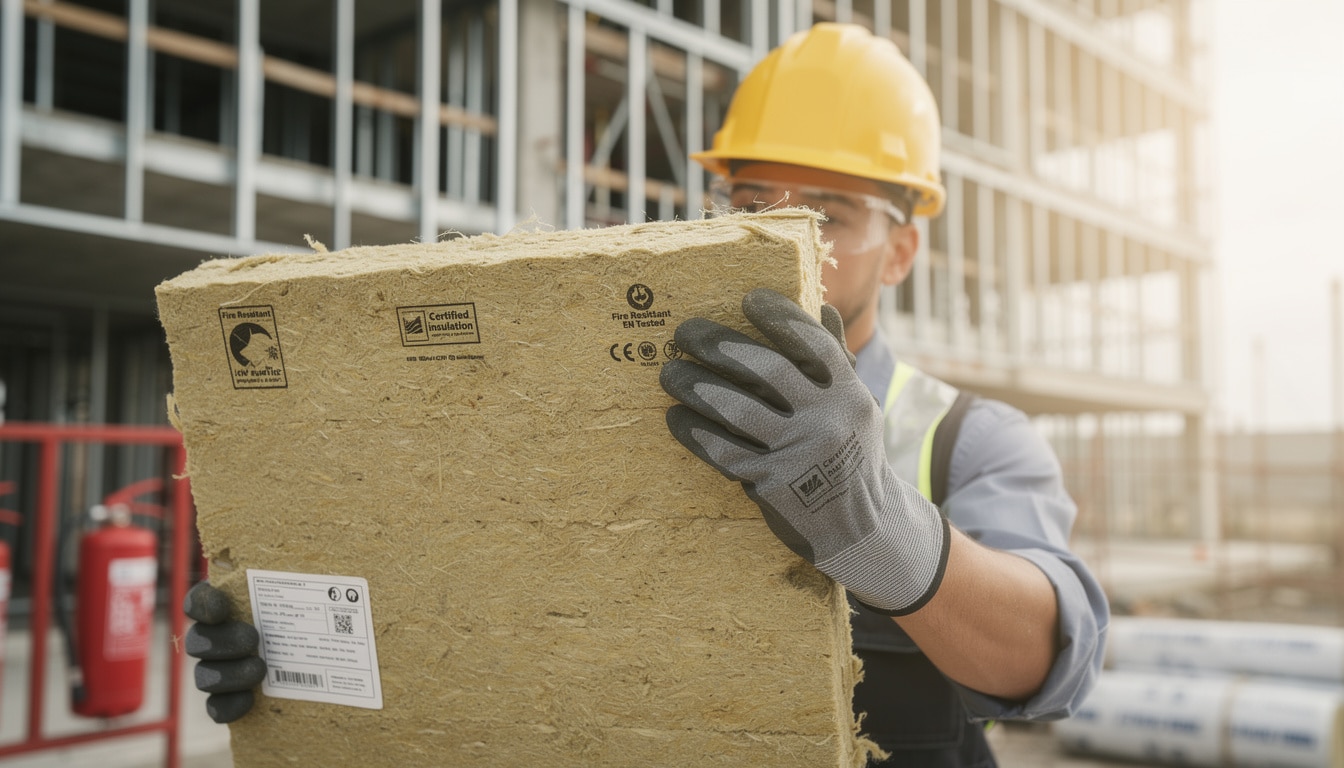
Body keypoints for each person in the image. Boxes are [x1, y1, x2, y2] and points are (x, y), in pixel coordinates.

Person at [184, 21, 1107, 767]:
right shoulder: (615, 404)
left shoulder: (967, 438)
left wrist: (870, 520)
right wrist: (312, 663)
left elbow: (1049, 660)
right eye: (752, 202)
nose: (785, 232)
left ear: (903, 249)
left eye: (829, 211)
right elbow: (499, 624)